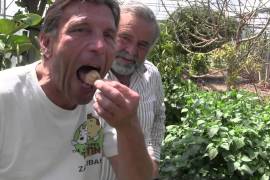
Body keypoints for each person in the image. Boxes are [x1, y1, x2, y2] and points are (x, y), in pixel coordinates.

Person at [0, 0, 152, 180]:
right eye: (80, 29)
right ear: (46, 43)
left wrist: (129, 126)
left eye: (109, 35)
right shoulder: (5, 98)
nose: (100, 46)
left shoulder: (104, 104)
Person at [102, 2, 166, 180]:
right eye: (125, 38)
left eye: (142, 45)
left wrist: (153, 157)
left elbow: (159, 116)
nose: (131, 51)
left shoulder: (152, 75)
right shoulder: (87, 78)